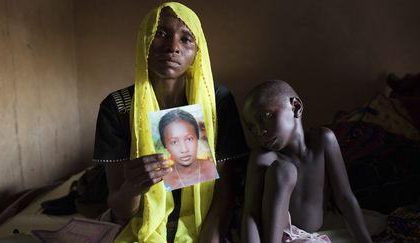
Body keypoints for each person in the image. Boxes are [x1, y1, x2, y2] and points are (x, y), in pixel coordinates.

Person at [92, 2, 248, 242]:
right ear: (144, 39)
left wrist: (210, 238)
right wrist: (133, 187)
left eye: (186, 39)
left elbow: (223, 194)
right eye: (160, 33)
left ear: (198, 51)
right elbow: (122, 209)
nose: (172, 47)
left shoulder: (218, 102)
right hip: (143, 225)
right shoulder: (117, 107)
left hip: (207, 220)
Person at [241, 80, 372, 243]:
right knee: (283, 170)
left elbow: (345, 197)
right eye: (252, 127)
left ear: (295, 107)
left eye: (267, 116)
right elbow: (250, 214)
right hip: (276, 237)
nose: (260, 131)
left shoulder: (323, 141)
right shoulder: (264, 157)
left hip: (310, 236)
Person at [158, 108, 219, 191]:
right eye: (174, 142)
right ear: (165, 146)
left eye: (189, 139)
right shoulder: (161, 177)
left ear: (197, 139)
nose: (184, 149)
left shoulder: (212, 168)